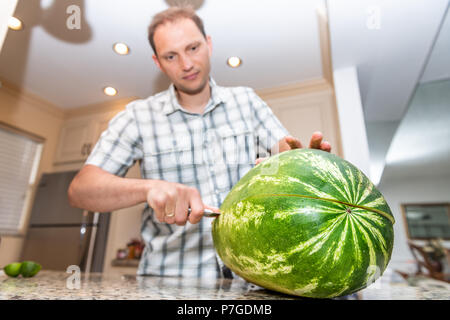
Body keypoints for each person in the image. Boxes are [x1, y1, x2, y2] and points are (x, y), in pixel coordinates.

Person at [68, 6, 331, 279]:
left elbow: (287, 154)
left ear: (208, 44)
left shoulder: (246, 101)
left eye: (193, 48)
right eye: (171, 56)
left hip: (250, 277)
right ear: (158, 62)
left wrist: (307, 165)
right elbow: (81, 190)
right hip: (168, 282)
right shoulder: (137, 116)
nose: (186, 64)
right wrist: (149, 187)